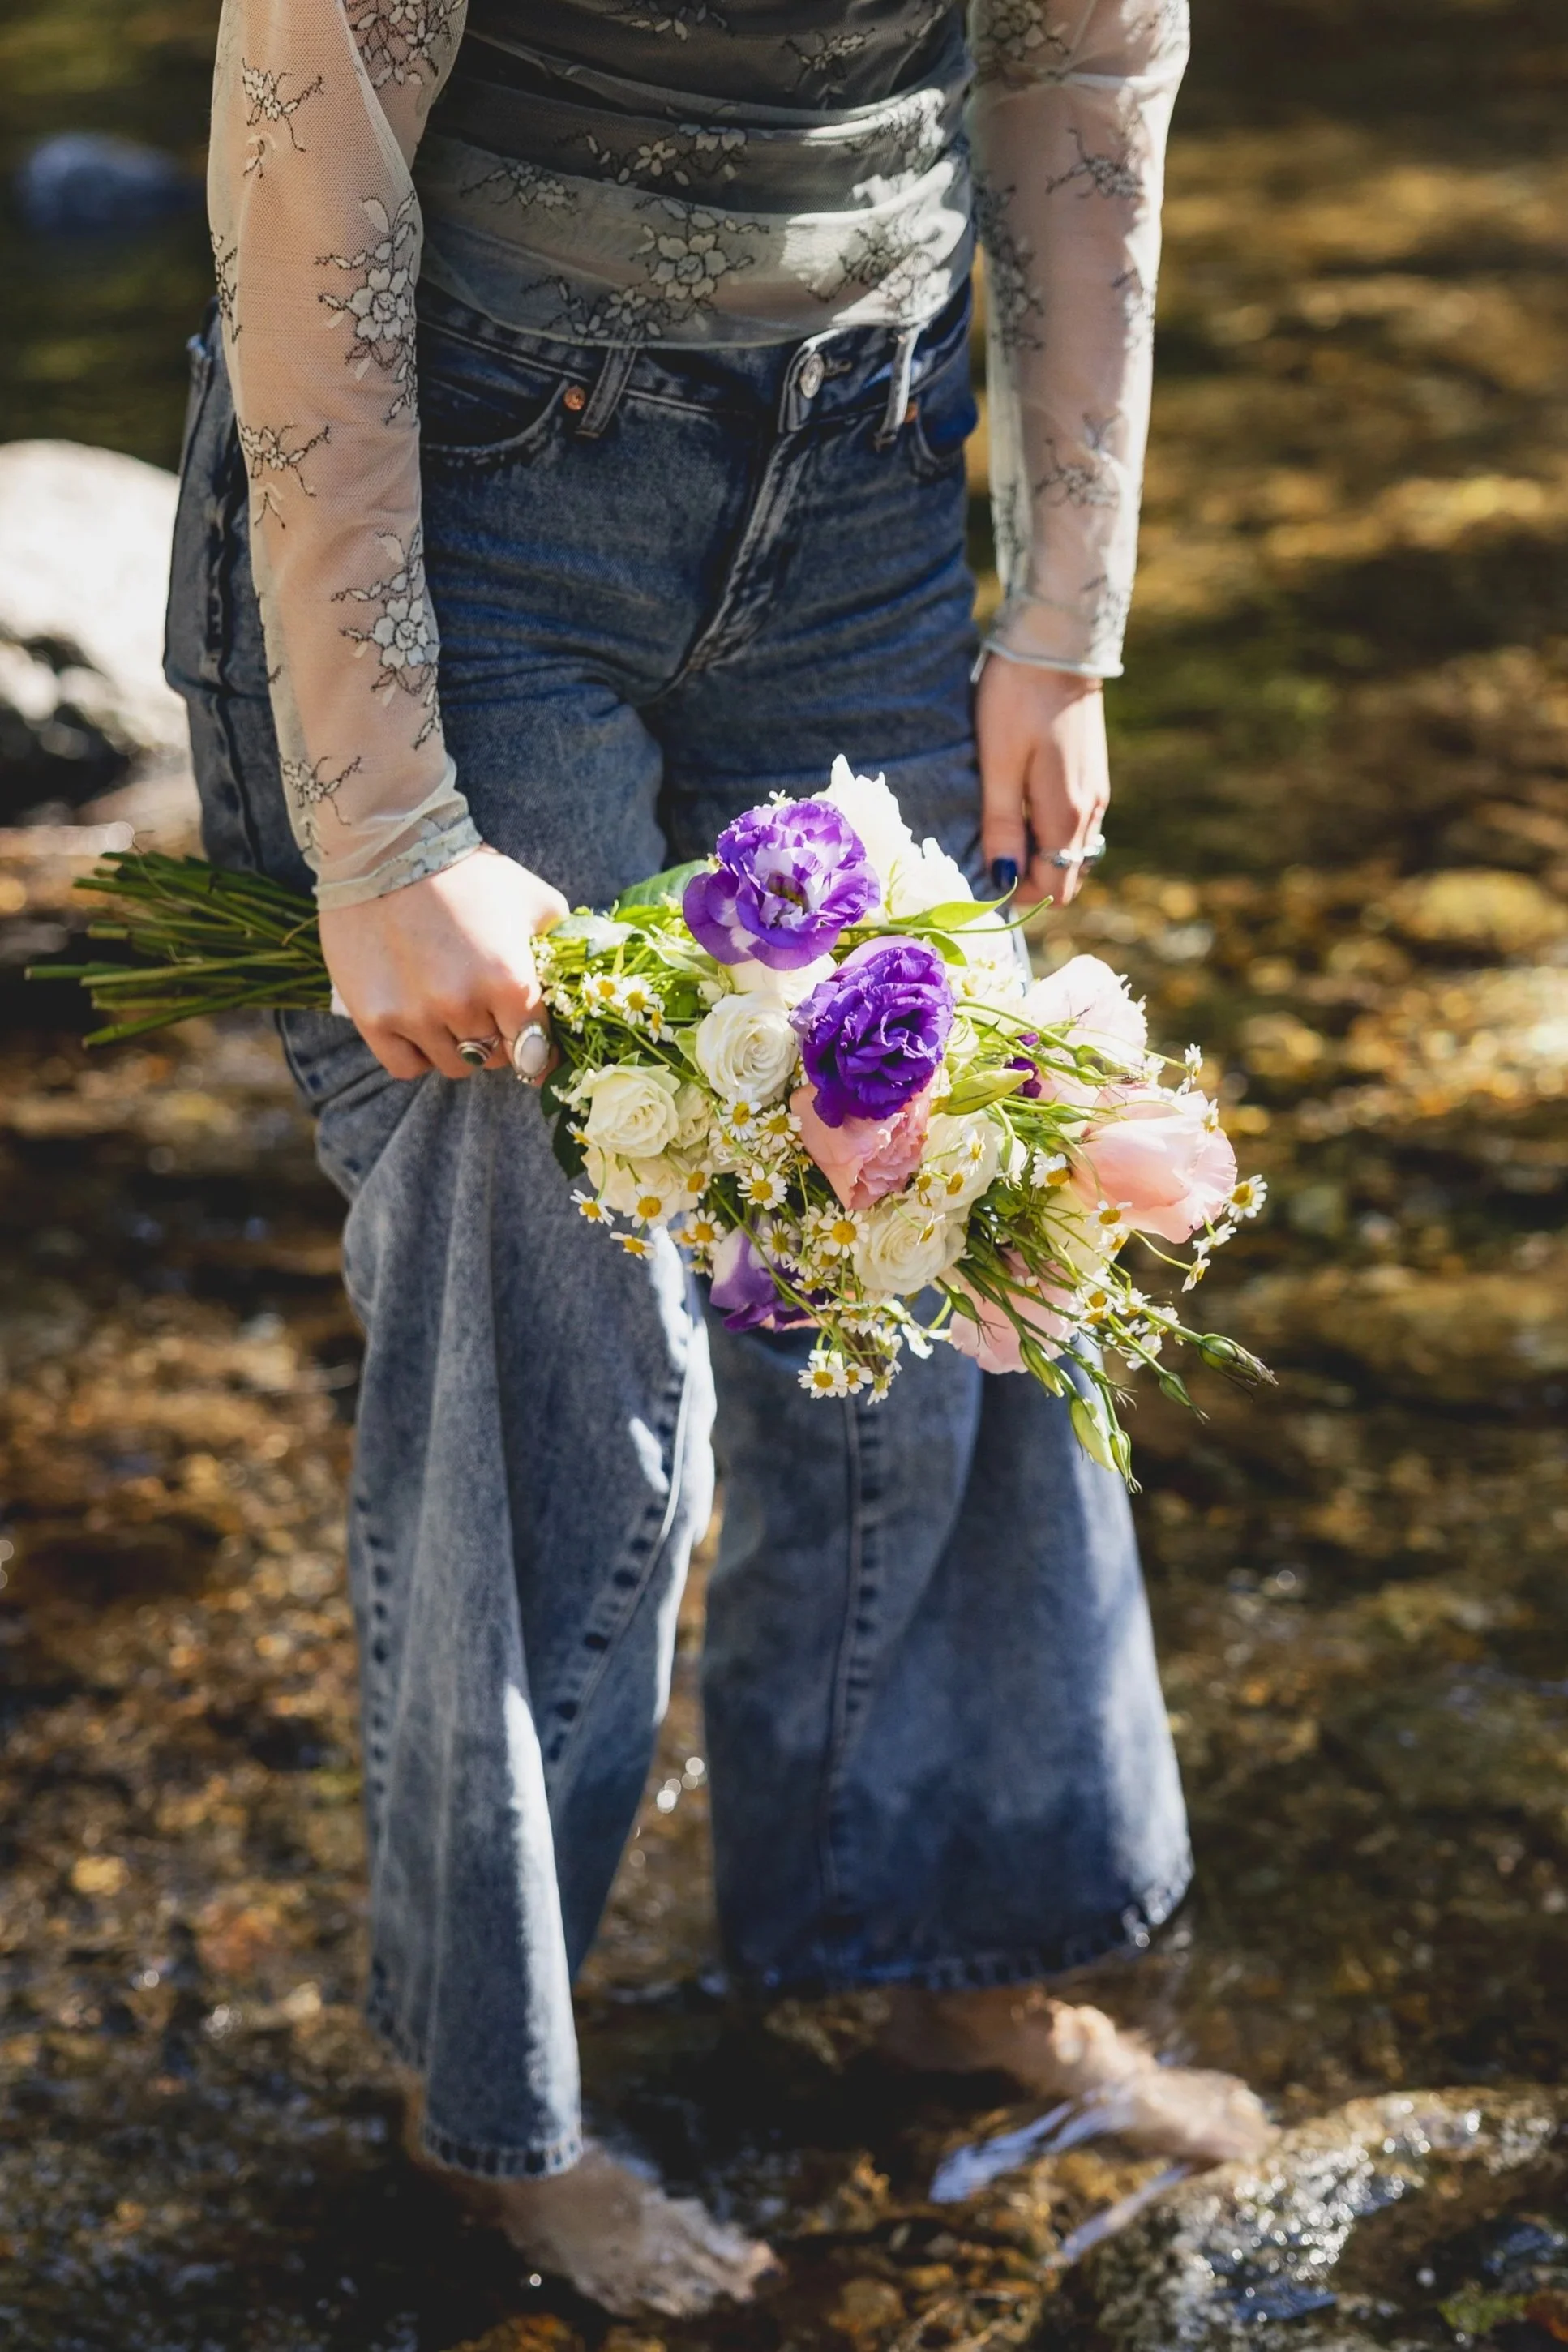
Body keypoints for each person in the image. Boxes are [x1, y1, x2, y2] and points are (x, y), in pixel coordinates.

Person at [166, 0, 1269, 2316]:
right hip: (467, 498)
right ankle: (501, 2105)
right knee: (553, 1323)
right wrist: (381, 821)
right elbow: (312, 140)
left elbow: (1081, 77)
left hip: (868, 469)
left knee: (961, 1189)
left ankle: (948, 1943)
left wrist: (1063, 611)